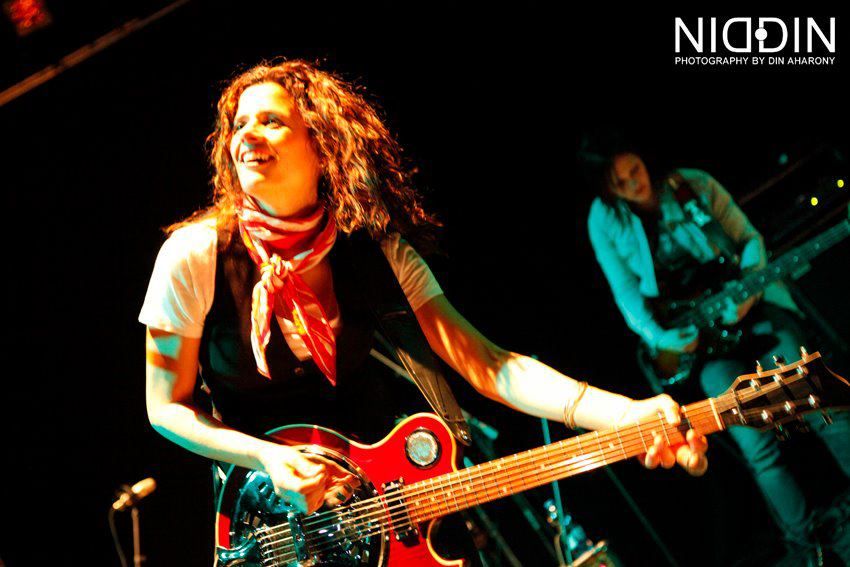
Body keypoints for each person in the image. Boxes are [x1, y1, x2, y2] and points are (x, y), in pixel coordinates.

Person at [139, 60, 708, 561]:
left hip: (389, 521)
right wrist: (264, 458)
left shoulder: (378, 254)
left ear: (321, 143)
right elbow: (165, 408)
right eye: (238, 123)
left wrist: (623, 415)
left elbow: (490, 365)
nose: (246, 134)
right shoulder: (195, 256)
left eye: (271, 121)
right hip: (275, 536)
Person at [582, 136, 850, 564]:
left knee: (820, 401)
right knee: (757, 446)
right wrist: (664, 339)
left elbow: (749, 240)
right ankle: (809, 544)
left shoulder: (693, 183)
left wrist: (746, 291)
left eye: (634, 170)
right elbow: (626, 295)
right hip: (705, 347)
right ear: (606, 188)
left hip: (754, 310)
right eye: (620, 182)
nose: (633, 184)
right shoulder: (603, 219)